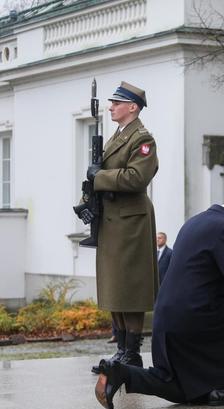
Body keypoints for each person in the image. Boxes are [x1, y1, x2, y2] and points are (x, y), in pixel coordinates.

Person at [94, 187, 224, 409]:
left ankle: (119, 372)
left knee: (178, 387)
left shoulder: (194, 222)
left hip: (166, 320)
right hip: (195, 319)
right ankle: (220, 383)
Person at [87, 81, 159, 375]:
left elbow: (135, 178)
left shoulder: (143, 139)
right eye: (111, 102)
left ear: (133, 107)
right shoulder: (119, 135)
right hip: (112, 219)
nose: (111, 107)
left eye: (117, 103)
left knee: (131, 287)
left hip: (131, 221)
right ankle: (121, 351)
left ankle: (132, 353)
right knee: (115, 285)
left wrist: (100, 177)